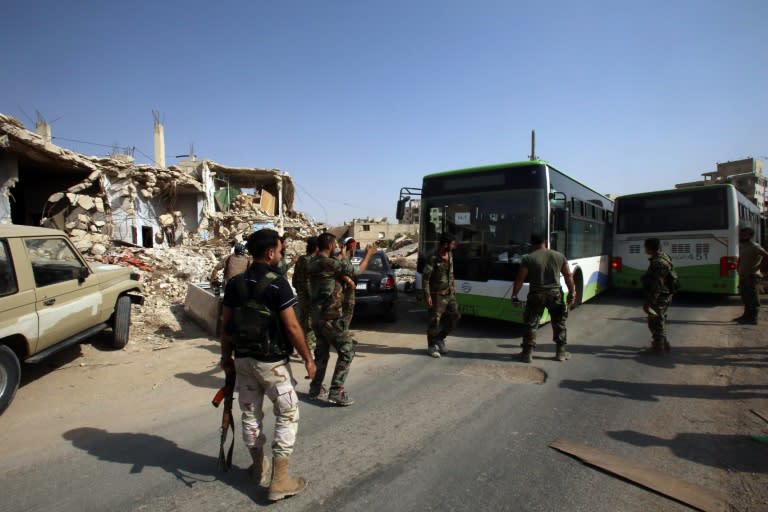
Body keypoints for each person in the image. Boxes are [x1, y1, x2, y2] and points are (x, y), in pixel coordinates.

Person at [219, 229, 316, 501]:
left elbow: (225, 326)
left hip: (243, 361)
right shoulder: (278, 283)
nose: (282, 253)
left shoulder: (234, 284)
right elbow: (293, 326)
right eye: (280, 249)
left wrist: (226, 358)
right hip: (272, 364)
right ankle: (280, 479)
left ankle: (258, 467)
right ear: (271, 253)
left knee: (250, 414)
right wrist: (308, 358)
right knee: (287, 412)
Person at [307, 232, 373, 406]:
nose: (337, 247)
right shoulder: (330, 263)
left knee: (321, 354)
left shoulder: (312, 263)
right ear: (329, 245)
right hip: (330, 317)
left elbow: (334, 273)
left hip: (316, 317)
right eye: (335, 244)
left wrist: (342, 262)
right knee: (347, 350)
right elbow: (357, 270)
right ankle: (336, 391)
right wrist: (369, 255)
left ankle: (315, 389)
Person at [511, 232, 575, 363]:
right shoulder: (559, 256)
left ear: (532, 244)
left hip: (536, 295)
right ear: (545, 242)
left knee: (531, 323)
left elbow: (520, 279)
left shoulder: (528, 258)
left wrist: (514, 295)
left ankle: (527, 354)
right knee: (559, 322)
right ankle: (561, 353)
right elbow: (568, 275)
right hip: (555, 295)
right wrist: (572, 292)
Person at [422, 232, 461, 358]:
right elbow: (425, 279)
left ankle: (440, 338)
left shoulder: (450, 254)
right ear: (445, 244)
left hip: (449, 293)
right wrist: (427, 296)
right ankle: (431, 346)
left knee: (455, 316)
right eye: (452, 244)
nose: (454, 246)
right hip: (436, 295)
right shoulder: (433, 257)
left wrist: (453, 286)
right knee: (434, 321)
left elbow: (451, 272)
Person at [640, 237, 675, 353]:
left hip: (660, 296)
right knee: (660, 319)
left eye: (645, 246)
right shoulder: (663, 256)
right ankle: (664, 344)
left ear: (649, 247)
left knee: (655, 321)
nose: (644, 248)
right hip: (665, 294)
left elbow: (657, 285)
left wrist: (650, 302)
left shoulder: (658, 262)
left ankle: (658, 347)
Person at [734, 227, 768, 325]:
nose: (741, 236)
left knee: (753, 297)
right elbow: (740, 259)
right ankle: (746, 316)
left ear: (750, 236)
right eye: (741, 234)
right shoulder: (743, 246)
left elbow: (766, 256)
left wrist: (757, 268)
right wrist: (738, 268)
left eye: (744, 234)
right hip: (743, 275)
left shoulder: (755, 246)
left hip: (752, 276)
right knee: (745, 297)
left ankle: (753, 318)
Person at [291, 236, 319, 350]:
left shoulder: (301, 259)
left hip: (302, 296)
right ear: (316, 248)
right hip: (310, 297)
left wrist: (299, 290)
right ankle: (308, 348)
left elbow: (294, 279)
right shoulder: (311, 262)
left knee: (303, 321)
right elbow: (309, 282)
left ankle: (301, 346)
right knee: (310, 323)